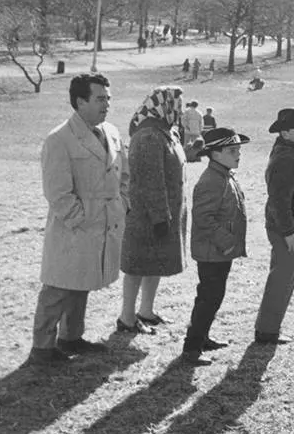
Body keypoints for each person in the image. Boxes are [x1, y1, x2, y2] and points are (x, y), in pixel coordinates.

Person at [31, 73, 130, 364]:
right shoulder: (59, 139)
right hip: (73, 229)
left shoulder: (111, 132)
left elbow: (125, 176)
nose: (107, 105)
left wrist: (122, 205)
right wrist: (81, 218)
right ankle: (42, 349)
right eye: (100, 99)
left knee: (82, 282)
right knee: (58, 287)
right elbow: (57, 193)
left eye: (108, 99)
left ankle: (72, 338)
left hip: (104, 225)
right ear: (80, 101)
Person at [118, 86, 188, 334]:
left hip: (163, 212)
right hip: (147, 215)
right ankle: (126, 317)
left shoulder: (165, 131)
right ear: (164, 104)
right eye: (176, 103)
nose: (179, 108)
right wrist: (160, 216)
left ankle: (146, 311)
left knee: (154, 263)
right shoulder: (148, 135)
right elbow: (150, 180)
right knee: (137, 265)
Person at [182, 127, 251, 366]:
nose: (238, 154)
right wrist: (228, 244)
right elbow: (204, 219)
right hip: (213, 253)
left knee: (212, 297)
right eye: (232, 150)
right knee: (209, 298)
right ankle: (191, 348)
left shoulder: (223, 174)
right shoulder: (212, 180)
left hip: (219, 252)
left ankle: (203, 338)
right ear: (215, 154)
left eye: (238, 149)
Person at [255, 107, 294, 345]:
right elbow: (279, 201)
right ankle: (267, 331)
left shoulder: (293, 151)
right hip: (286, 229)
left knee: (285, 276)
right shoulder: (286, 158)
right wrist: (289, 232)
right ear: (284, 133)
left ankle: (269, 328)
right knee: (282, 278)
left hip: (291, 228)